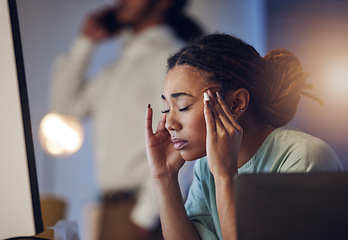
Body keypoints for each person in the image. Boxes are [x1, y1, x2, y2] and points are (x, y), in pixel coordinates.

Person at [145, 33, 343, 240]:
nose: (169, 123)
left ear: (237, 102)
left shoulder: (305, 157)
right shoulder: (206, 166)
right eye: (167, 108)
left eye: (182, 106)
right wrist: (164, 177)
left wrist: (225, 176)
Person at [49, 0, 203, 239]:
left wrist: (145, 215)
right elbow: (65, 107)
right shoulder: (116, 69)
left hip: (141, 212)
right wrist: (86, 41)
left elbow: (185, 138)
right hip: (109, 208)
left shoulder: (170, 58)